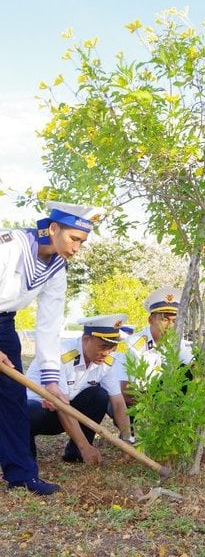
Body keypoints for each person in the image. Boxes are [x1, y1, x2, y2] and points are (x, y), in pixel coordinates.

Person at [0, 201, 102, 495]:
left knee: (12, 400)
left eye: (82, 242)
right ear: (54, 228)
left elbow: (48, 325)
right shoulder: (10, 246)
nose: (76, 248)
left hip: (5, 325)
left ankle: (22, 475)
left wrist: (51, 381)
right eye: (73, 238)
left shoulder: (57, 267)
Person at [26, 314, 134, 464]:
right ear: (85, 339)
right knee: (30, 411)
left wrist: (127, 440)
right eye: (103, 346)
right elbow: (61, 406)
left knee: (98, 395)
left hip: (68, 411)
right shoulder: (61, 355)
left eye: (112, 347)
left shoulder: (107, 361)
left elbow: (118, 403)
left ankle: (75, 453)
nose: (107, 352)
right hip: (42, 412)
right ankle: (23, 454)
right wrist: (86, 447)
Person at [114, 287, 193, 409]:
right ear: (150, 320)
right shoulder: (132, 344)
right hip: (134, 400)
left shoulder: (177, 343)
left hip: (163, 399)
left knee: (186, 371)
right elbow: (124, 390)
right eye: (164, 319)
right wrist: (156, 408)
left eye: (174, 320)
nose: (170, 326)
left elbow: (193, 369)